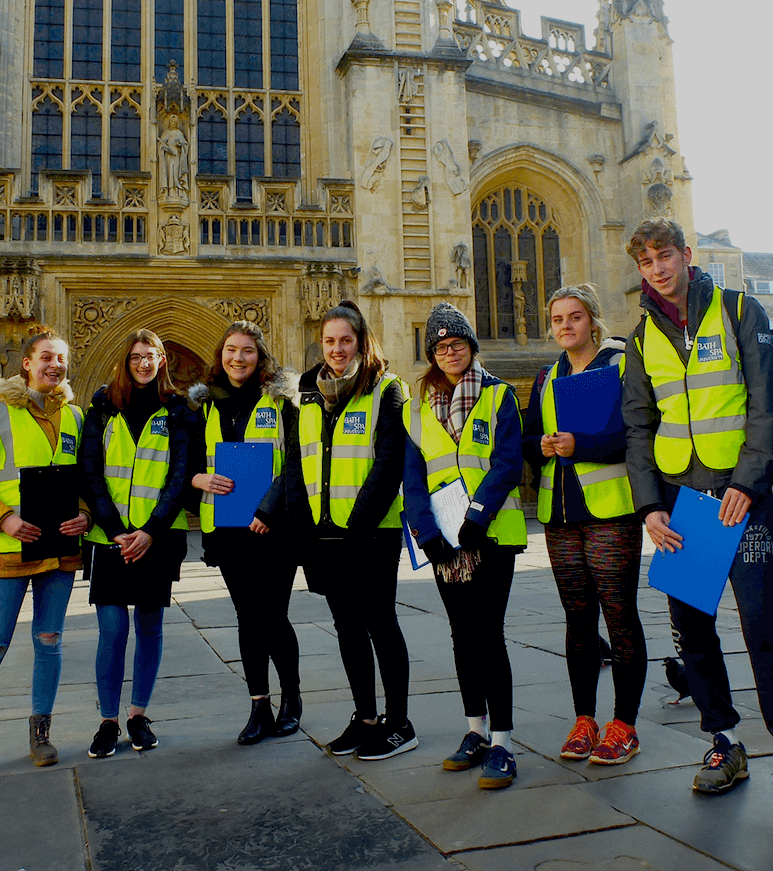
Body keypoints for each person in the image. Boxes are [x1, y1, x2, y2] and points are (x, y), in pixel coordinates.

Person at [621, 218, 773, 819]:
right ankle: (723, 742)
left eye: (665, 256)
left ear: (687, 255)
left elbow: (767, 403)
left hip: (740, 497)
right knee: (692, 630)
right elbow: (639, 426)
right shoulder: (639, 338)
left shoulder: (739, 311)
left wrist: (749, 479)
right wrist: (650, 507)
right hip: (682, 504)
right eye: (646, 262)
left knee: (764, 623)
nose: (657, 269)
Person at [0, 329, 93, 779]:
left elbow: (86, 482)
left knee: (49, 643)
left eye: (62, 359)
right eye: (47, 358)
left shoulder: (75, 417)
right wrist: (5, 518)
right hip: (9, 549)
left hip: (58, 552)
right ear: (27, 364)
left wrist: (85, 515)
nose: (56, 365)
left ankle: (40, 733)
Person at [522, 284, 647, 766]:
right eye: (557, 319)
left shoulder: (619, 364)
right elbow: (531, 438)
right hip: (561, 514)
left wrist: (582, 445)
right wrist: (545, 446)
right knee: (577, 620)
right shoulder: (546, 376)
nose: (566, 326)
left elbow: (634, 432)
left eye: (575, 317)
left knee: (619, 616)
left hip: (611, 510)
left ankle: (625, 725)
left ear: (593, 320)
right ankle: (584, 719)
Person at [403, 302, 526, 790]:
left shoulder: (498, 397)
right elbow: (413, 478)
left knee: (488, 635)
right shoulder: (419, 406)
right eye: (440, 346)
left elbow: (507, 462)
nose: (450, 352)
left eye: (457, 344)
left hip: (490, 535)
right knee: (460, 635)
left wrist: (477, 516)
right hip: (445, 542)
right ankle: (474, 730)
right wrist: (426, 534)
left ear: (471, 347)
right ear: (432, 355)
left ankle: (504, 742)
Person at [284, 301, 414, 761]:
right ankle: (365, 718)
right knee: (347, 627)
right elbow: (295, 466)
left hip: (372, 533)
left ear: (361, 341)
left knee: (380, 622)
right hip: (324, 535)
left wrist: (355, 527)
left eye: (345, 340)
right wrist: (304, 533)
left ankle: (399, 723)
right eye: (329, 341)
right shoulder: (306, 391)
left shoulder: (386, 388)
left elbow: (388, 464)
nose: (337, 349)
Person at [187, 321, 303, 745]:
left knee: (272, 616)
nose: (238, 358)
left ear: (260, 356)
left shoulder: (281, 401)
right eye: (231, 350)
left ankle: (291, 698)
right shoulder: (204, 407)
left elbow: (297, 459)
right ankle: (259, 705)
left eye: (247, 351)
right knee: (247, 619)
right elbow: (185, 466)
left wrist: (267, 509)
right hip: (227, 531)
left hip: (272, 529)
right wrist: (198, 480)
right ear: (221, 355)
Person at [80, 328, 192, 759]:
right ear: (124, 361)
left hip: (156, 539)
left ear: (162, 360)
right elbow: (89, 470)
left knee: (149, 628)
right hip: (109, 538)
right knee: (112, 630)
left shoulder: (178, 409)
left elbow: (180, 476)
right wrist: (113, 529)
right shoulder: (103, 407)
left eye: (152, 356)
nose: (144, 363)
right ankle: (108, 720)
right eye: (136, 357)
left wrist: (150, 531)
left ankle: (137, 715)